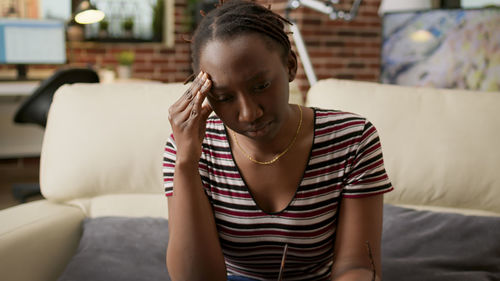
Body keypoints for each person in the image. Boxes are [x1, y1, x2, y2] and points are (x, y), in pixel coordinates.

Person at [163, 1, 393, 280]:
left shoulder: (353, 140)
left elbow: (357, 267)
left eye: (261, 86)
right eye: (224, 97)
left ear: (290, 66)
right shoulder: (189, 149)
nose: (250, 113)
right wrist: (186, 163)